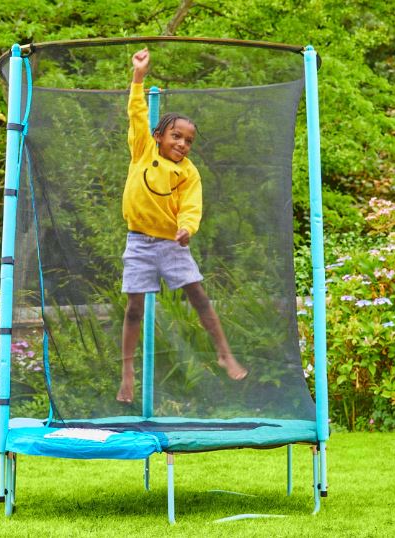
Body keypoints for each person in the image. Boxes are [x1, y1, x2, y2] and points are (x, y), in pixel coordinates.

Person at [117, 48, 248, 403]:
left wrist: (187, 229)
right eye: (176, 136)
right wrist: (138, 77)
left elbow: (192, 207)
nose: (182, 144)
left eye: (189, 141)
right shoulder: (143, 150)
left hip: (171, 244)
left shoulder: (189, 174)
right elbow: (136, 112)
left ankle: (224, 354)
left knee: (199, 296)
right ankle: (127, 372)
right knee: (134, 307)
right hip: (139, 242)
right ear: (159, 135)